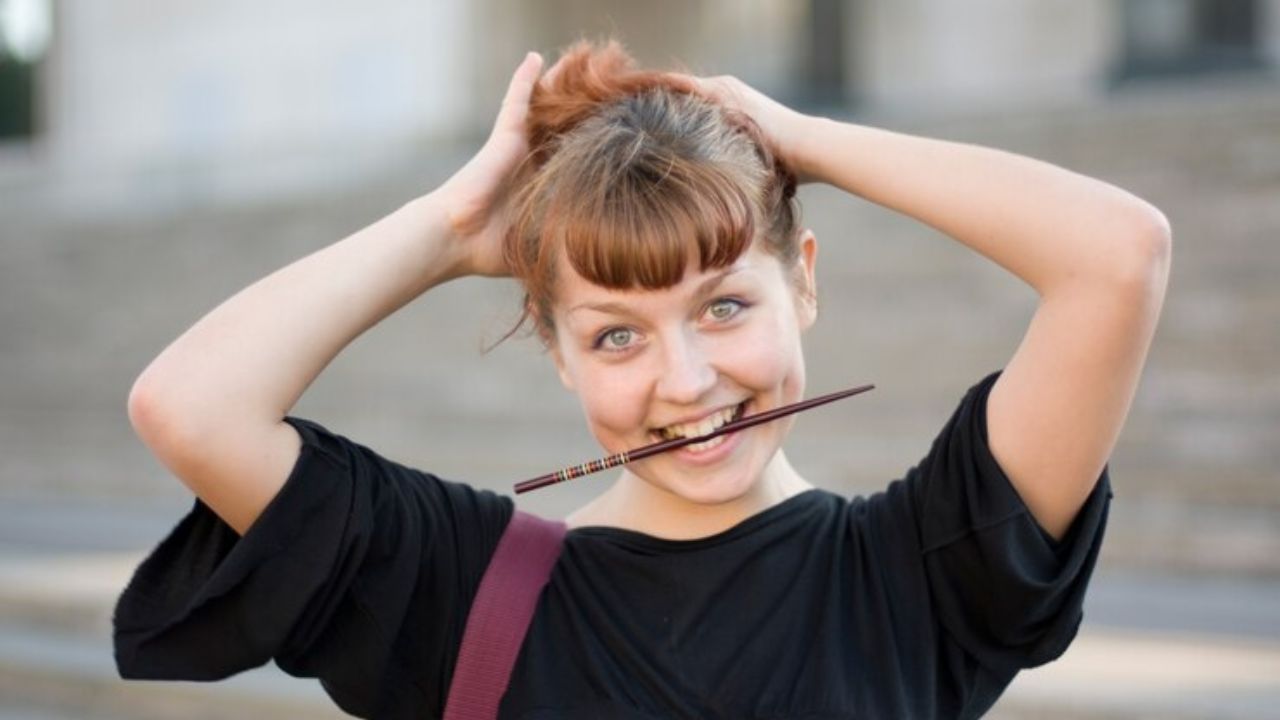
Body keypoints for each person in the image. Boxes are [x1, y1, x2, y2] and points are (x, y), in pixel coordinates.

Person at [113, 39, 1170, 719]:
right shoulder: (461, 589)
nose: (688, 380)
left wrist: (799, 142)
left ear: (801, 282)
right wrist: (446, 232)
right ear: (554, 345)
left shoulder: (920, 572)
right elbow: (189, 406)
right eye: (616, 335)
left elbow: (1117, 256)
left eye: (723, 305)